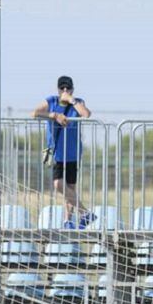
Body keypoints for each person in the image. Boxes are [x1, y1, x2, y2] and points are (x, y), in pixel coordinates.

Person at [32, 75, 95, 229]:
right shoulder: (51, 101)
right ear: (58, 89)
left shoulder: (78, 102)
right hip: (58, 153)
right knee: (58, 184)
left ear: (73, 89)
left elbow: (86, 114)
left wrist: (71, 100)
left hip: (73, 152)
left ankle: (68, 221)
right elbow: (35, 113)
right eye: (62, 88)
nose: (65, 90)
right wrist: (53, 115)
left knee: (70, 187)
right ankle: (85, 213)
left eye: (68, 88)